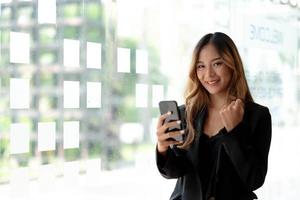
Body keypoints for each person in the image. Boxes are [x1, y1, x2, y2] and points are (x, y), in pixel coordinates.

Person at [155, 32, 272, 200]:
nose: (208, 74)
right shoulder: (185, 114)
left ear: (232, 65)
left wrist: (235, 131)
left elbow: (254, 180)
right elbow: (176, 171)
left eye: (217, 64)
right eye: (201, 66)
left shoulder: (257, 116)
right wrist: (162, 148)